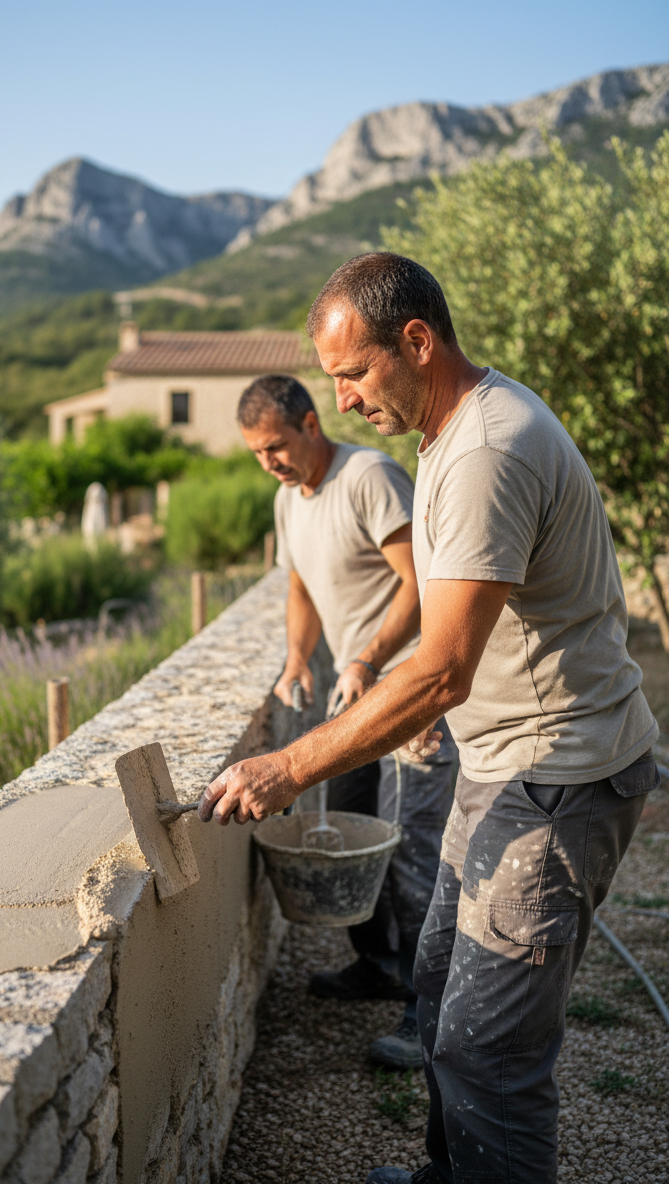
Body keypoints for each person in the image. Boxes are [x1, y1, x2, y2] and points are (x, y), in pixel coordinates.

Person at [200, 252, 659, 1184]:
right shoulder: (449, 433)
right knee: (445, 989)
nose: (341, 403)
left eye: (353, 374)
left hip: (557, 781)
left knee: (490, 1056)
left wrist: (287, 769)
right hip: (503, 767)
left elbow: (443, 665)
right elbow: (465, 633)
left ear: (417, 341)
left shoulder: (489, 447)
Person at [237, 373, 455, 1068]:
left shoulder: (369, 477)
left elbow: (421, 584)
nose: (267, 462)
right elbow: (299, 584)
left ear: (309, 424)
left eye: (274, 445)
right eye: (255, 453)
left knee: (415, 851)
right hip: (354, 695)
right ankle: (379, 964)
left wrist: (365, 657)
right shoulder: (286, 500)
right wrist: (301, 657)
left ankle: (432, 1018)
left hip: (412, 691)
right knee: (356, 828)